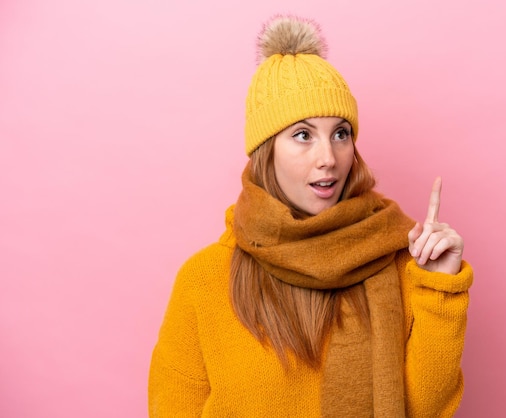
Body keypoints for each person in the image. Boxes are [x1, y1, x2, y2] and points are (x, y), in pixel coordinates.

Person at [148, 14, 473, 418]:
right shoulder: (204, 281)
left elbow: (425, 410)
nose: (328, 158)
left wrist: (440, 288)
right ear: (266, 150)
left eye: (341, 134)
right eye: (302, 135)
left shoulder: (401, 260)